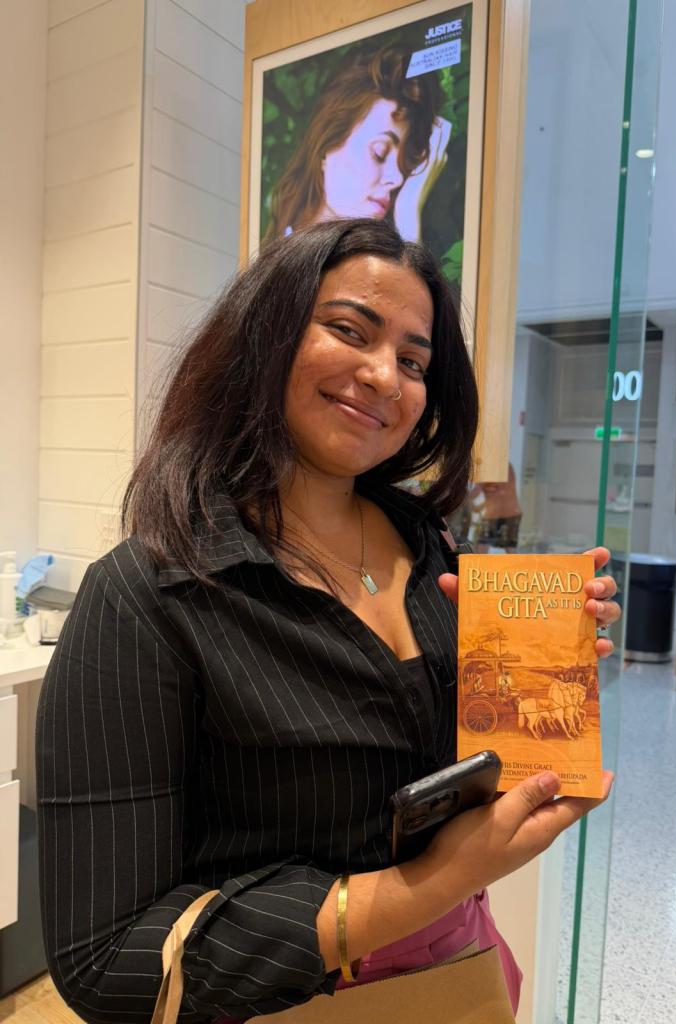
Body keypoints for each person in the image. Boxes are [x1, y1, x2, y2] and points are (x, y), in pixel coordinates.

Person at [36, 219, 619, 1023]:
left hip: (464, 977)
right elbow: (105, 962)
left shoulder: (430, 547)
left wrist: (540, 675)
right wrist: (436, 880)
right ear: (263, 336)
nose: (384, 376)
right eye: (349, 330)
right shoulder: (145, 597)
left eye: (414, 362)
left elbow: (439, 767)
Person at [262, 48, 451, 244]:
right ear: (326, 146)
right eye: (379, 153)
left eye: (405, 165)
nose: (397, 178)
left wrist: (408, 216)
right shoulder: (275, 252)